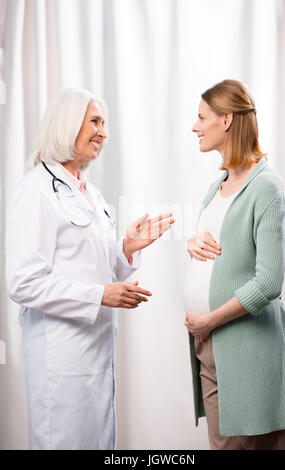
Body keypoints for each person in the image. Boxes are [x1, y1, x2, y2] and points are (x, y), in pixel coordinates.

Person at [5, 88, 174, 450]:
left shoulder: (89, 194)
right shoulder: (36, 190)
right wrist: (99, 295)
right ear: (68, 125)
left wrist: (125, 248)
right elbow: (23, 282)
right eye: (95, 121)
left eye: (105, 124)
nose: (103, 132)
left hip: (96, 354)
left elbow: (91, 265)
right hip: (61, 358)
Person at [183, 79, 285, 450]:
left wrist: (209, 319)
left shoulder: (266, 187)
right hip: (209, 350)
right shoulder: (218, 184)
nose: (195, 126)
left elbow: (268, 282)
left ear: (228, 120)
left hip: (248, 351)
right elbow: (223, 249)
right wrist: (193, 242)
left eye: (202, 117)